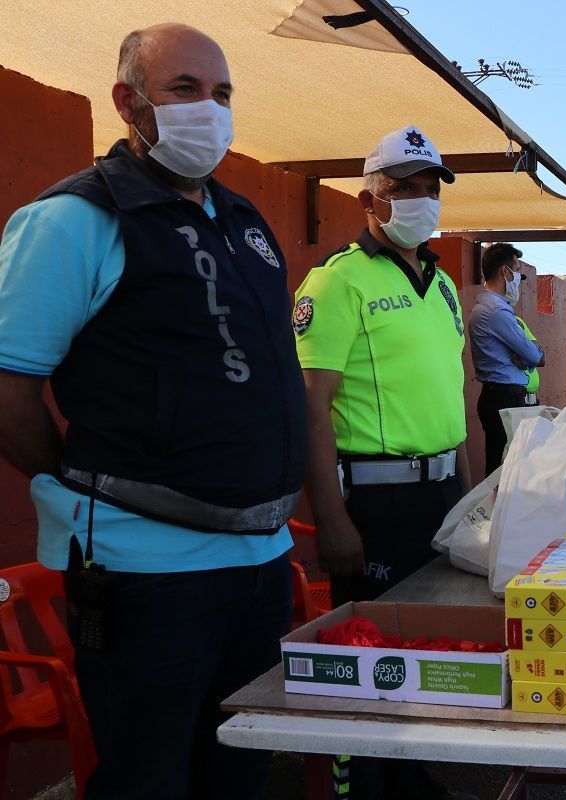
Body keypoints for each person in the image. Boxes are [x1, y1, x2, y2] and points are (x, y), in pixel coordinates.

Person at [0, 24, 304, 799]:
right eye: (185, 90)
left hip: (262, 562)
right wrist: (84, 481)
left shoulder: (243, 222)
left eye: (223, 94)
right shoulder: (73, 219)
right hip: (147, 577)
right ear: (127, 102)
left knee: (240, 772)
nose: (211, 109)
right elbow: (8, 392)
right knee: (148, 780)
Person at [293, 126, 473, 800]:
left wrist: (476, 494)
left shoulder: (443, 284)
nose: (421, 201)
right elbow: (312, 409)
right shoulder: (337, 281)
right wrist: (330, 519)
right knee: (374, 657)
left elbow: (459, 394)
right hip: (374, 504)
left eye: (430, 189)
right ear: (369, 200)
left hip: (442, 493)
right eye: (404, 190)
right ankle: (365, 782)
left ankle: (408, 777)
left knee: (427, 646)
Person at [468, 242, 544, 475]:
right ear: (505, 272)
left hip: (498, 395)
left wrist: (526, 353)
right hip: (504, 397)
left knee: (503, 465)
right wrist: (528, 352)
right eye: (517, 272)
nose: (518, 280)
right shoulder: (496, 311)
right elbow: (534, 355)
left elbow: (530, 355)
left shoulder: (491, 308)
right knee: (508, 470)